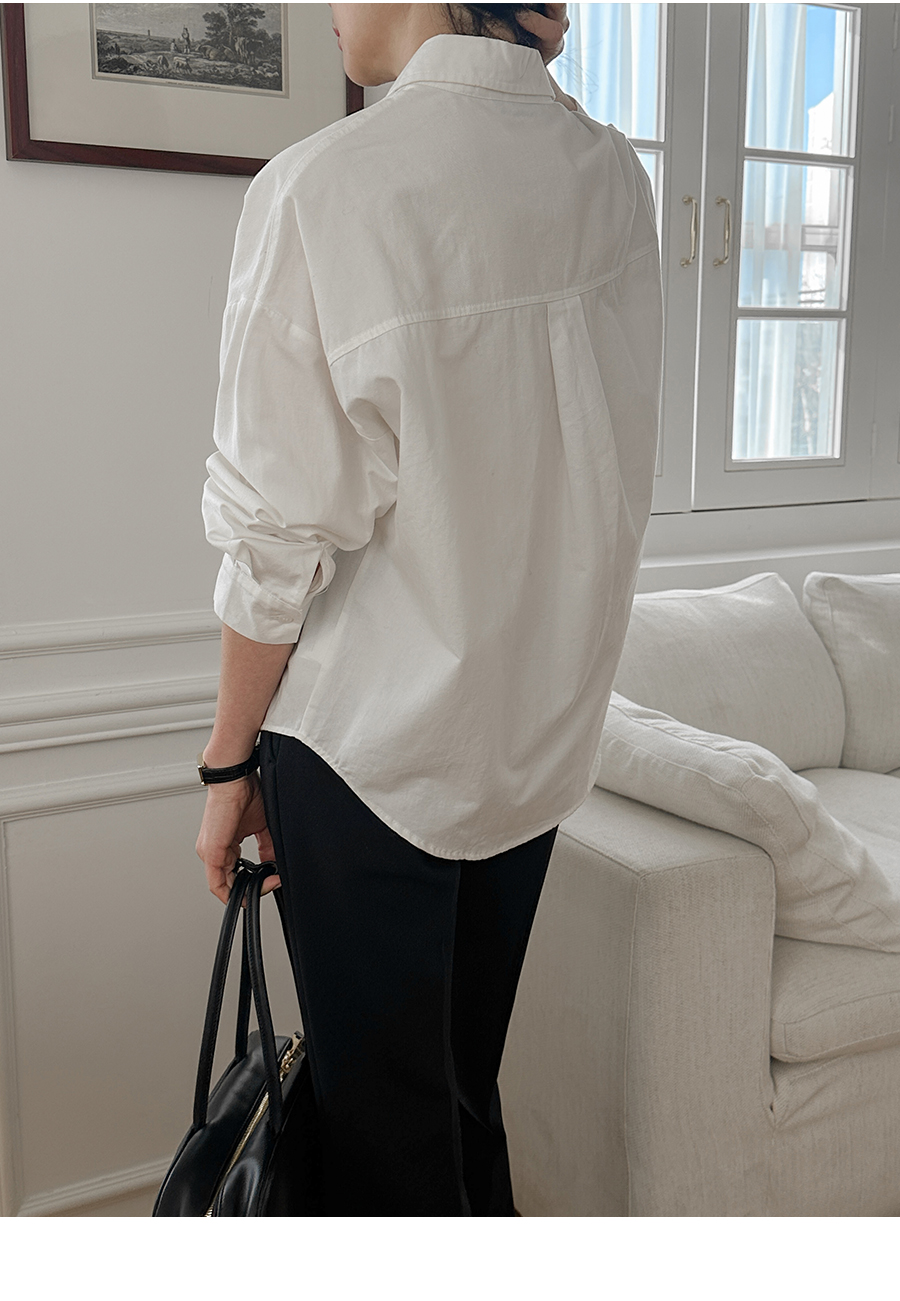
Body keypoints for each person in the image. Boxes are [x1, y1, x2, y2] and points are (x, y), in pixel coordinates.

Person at [196, 2, 662, 1216]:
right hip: (530, 746)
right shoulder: (610, 177)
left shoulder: (323, 188)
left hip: (366, 751)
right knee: (457, 1092)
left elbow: (274, 533)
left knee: (381, 1142)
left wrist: (226, 766)